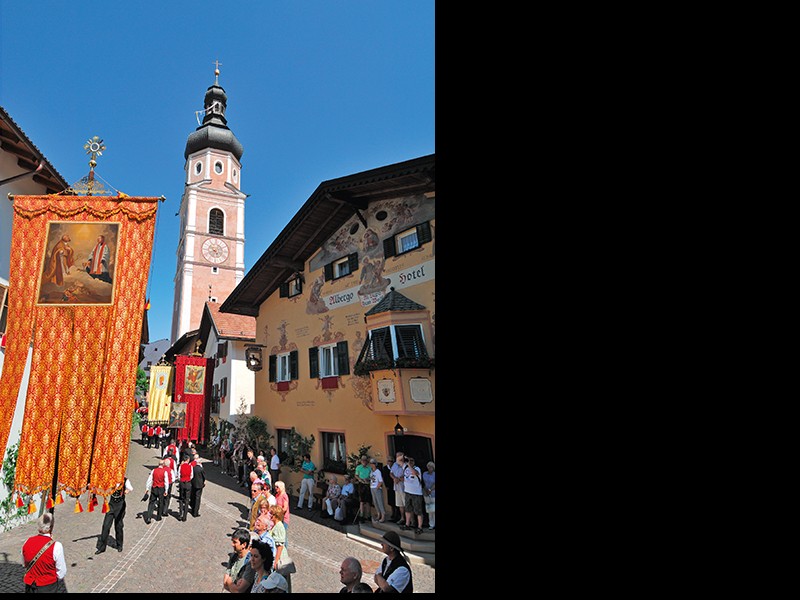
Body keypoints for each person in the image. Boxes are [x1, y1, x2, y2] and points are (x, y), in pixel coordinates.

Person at [22, 512, 67, 593]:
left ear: (39, 527)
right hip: (48, 586)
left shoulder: (27, 542)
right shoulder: (56, 546)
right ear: (51, 527)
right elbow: (61, 572)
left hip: (30, 585)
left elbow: (24, 563)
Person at [95, 476, 133, 554]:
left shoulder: (125, 480)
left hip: (120, 505)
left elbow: (130, 488)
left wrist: (127, 491)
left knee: (118, 525)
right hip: (111, 505)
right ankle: (101, 547)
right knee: (106, 526)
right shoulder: (111, 479)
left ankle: (119, 545)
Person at [268, 504, 292, 593]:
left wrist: (276, 561)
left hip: (280, 556)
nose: (270, 516)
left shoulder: (279, 526)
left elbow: (280, 545)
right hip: (277, 554)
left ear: (276, 515)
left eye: (271, 514)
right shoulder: (276, 525)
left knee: (279, 580)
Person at [223, 528, 254, 593]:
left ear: (244, 545)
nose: (232, 544)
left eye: (235, 542)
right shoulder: (234, 556)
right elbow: (225, 583)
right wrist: (232, 586)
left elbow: (238, 591)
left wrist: (229, 581)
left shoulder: (249, 563)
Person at [401, 456, 425, 535]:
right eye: (408, 461)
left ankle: (419, 527)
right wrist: (404, 457)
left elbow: (415, 473)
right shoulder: (405, 467)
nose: (409, 462)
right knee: (407, 509)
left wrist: (410, 466)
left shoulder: (417, 468)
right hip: (408, 492)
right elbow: (398, 460)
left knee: (418, 510)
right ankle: (407, 524)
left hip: (416, 493)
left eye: (411, 461)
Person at [143, 459, 170, 524]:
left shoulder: (153, 471)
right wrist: (166, 490)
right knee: (160, 503)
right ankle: (158, 517)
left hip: (154, 488)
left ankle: (149, 517)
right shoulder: (164, 472)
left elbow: (149, 480)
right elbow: (166, 482)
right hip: (161, 488)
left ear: (158, 464)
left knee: (151, 502)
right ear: (163, 465)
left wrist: (147, 488)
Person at [354, 455, 372, 523]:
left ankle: (368, 515)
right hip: (361, 484)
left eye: (365, 461)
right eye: (363, 460)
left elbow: (372, 476)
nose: (364, 462)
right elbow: (356, 475)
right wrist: (360, 479)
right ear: (361, 461)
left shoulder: (369, 468)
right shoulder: (358, 467)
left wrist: (367, 479)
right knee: (361, 501)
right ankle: (361, 516)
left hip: (367, 484)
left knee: (368, 501)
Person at [389, 452, 406, 525]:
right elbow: (391, 473)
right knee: (400, 504)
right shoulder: (395, 464)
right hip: (396, 487)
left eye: (399, 456)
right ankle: (402, 518)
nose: (397, 457)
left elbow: (407, 475)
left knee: (406, 504)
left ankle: (410, 520)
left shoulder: (405, 464)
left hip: (404, 487)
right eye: (396, 456)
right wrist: (394, 478)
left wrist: (398, 479)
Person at [368, 458, 386, 522]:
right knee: (375, 502)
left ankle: (383, 515)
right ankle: (378, 514)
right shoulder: (371, 471)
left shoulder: (378, 472)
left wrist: (377, 487)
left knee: (379, 502)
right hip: (372, 487)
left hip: (376, 488)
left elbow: (380, 481)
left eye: (372, 463)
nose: (371, 465)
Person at [177, 452, 193, 521]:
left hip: (182, 483)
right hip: (188, 483)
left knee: (181, 498)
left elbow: (178, 475)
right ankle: (185, 516)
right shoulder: (190, 467)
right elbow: (192, 476)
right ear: (188, 460)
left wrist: (181, 479)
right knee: (187, 500)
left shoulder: (181, 466)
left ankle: (180, 513)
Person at [190, 451, 206, 517]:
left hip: (193, 483)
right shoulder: (201, 469)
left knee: (193, 496)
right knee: (197, 498)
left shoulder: (193, 467)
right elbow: (203, 477)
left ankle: (193, 508)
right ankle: (195, 512)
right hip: (199, 484)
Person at [422, 461, 436, 530]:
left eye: (431, 467)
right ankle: (431, 524)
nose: (429, 468)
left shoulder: (434, 474)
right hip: (426, 493)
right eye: (428, 466)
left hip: (433, 493)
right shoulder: (424, 474)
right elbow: (423, 483)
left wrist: (430, 490)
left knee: (434, 509)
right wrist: (426, 490)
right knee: (429, 509)